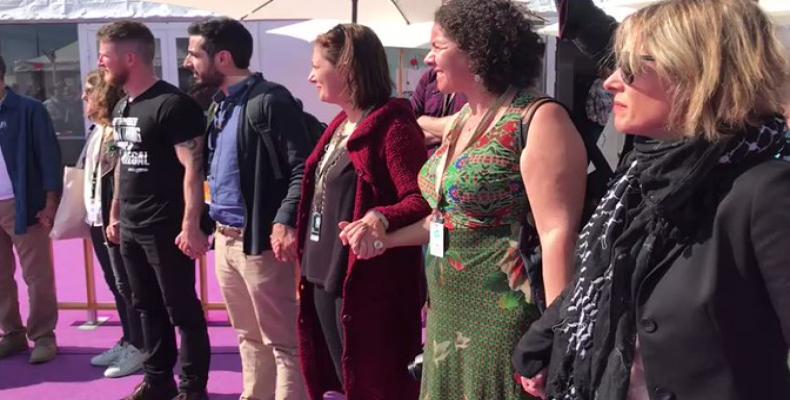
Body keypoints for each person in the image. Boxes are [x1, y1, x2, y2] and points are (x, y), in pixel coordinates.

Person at [512, 1, 790, 399]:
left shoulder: (765, 190)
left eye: (629, 66)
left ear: (695, 72)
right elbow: (606, 273)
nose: (610, 81)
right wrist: (545, 337)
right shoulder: (643, 173)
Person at [352, 0, 588, 398]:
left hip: (505, 311)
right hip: (447, 308)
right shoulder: (464, 119)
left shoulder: (537, 119)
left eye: (438, 46)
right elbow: (447, 218)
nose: (428, 59)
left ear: (478, 49)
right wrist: (387, 239)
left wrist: (555, 337)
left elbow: (557, 236)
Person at [296, 23, 431, 400]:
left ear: (347, 69)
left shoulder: (394, 127)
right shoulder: (341, 123)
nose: (309, 76)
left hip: (366, 289)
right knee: (339, 382)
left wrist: (380, 216)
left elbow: (421, 198)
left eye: (316, 65)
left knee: (375, 386)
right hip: (323, 277)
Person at [183, 18, 311, 400]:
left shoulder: (270, 101)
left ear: (222, 58)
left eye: (194, 54)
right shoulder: (217, 104)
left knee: (283, 341)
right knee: (247, 337)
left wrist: (285, 221)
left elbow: (301, 166)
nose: (188, 62)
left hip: (262, 243)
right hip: (225, 240)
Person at [98, 21, 211, 400]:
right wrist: (114, 213)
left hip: (165, 227)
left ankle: (192, 388)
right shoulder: (121, 105)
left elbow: (193, 169)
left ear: (130, 58)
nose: (101, 62)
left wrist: (190, 224)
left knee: (182, 311)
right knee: (145, 307)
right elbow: (120, 163)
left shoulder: (173, 105)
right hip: (129, 225)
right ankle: (158, 380)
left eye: (106, 55)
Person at [77, 70, 147, 378]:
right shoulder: (97, 131)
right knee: (115, 284)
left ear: (104, 96)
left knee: (128, 285)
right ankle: (129, 338)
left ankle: (141, 346)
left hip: (115, 220)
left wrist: (115, 215)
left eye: (89, 91)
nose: (83, 97)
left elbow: (125, 178)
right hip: (97, 218)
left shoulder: (118, 131)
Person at [0, 54, 62, 365]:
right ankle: (11, 333)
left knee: (36, 275)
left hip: (22, 203)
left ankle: (43, 335)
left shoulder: (29, 110)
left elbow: (49, 156)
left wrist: (50, 201)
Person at [411, 68, 467, 147]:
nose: (428, 59)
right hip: (427, 157)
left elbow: (470, 126)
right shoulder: (430, 77)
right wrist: (452, 132)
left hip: (460, 156)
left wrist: (422, 120)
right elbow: (411, 125)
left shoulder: (474, 82)